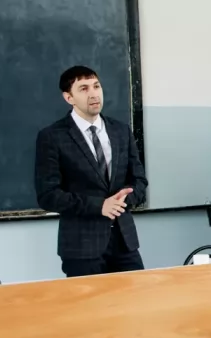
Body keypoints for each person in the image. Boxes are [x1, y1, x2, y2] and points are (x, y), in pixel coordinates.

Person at [34, 65, 148, 278]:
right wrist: (100, 206)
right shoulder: (53, 137)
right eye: (84, 88)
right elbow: (48, 195)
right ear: (69, 98)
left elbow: (140, 181)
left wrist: (124, 199)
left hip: (125, 243)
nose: (94, 94)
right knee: (89, 300)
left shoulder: (121, 131)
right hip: (81, 247)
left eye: (96, 86)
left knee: (137, 297)